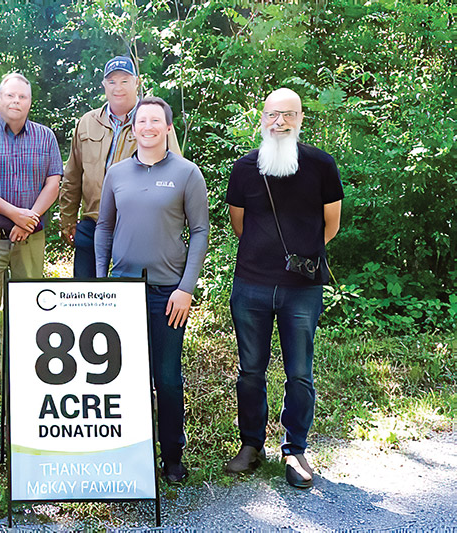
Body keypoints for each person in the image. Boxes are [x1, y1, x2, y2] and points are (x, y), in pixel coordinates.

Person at [224, 88, 343, 489]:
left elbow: (332, 224)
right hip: (251, 285)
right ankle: (251, 445)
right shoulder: (243, 169)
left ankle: (295, 450)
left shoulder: (321, 166)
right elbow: (239, 224)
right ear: (262, 118)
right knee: (250, 372)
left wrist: (303, 257)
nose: (280, 122)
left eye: (289, 115)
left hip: (302, 288)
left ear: (300, 119)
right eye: (274, 114)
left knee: (300, 374)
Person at [95, 97, 209, 483]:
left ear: (167, 127)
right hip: (121, 291)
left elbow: (200, 231)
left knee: (167, 376)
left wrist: (186, 288)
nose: (147, 126)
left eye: (155, 120)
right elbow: (104, 228)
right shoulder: (117, 173)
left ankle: (172, 455)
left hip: (168, 294)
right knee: (125, 378)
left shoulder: (187, 173)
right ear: (134, 127)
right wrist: (100, 281)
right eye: (141, 120)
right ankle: (131, 452)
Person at [0, 73, 63, 400]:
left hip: (32, 237)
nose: (15, 102)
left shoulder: (45, 137)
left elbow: (54, 182)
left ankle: (26, 367)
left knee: (31, 304)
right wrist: (14, 215)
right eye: (9, 96)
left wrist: (29, 219)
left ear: (29, 102)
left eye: (22, 97)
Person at [59, 55, 181, 278]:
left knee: (130, 301)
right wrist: (67, 220)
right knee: (86, 298)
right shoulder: (87, 122)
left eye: (125, 80)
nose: (118, 87)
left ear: (137, 83)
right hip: (92, 224)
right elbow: (72, 176)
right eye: (112, 81)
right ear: (104, 85)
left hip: (137, 229)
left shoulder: (151, 121)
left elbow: (175, 175)